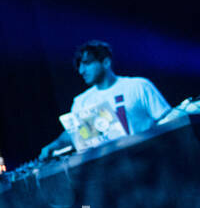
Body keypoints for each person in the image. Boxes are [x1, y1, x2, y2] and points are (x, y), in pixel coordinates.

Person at [39, 40, 171, 161]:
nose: (81, 71)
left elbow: (168, 119)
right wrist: (55, 145)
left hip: (148, 160)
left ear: (106, 62)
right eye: (79, 66)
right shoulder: (81, 102)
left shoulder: (138, 86)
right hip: (110, 170)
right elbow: (77, 135)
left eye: (87, 63)